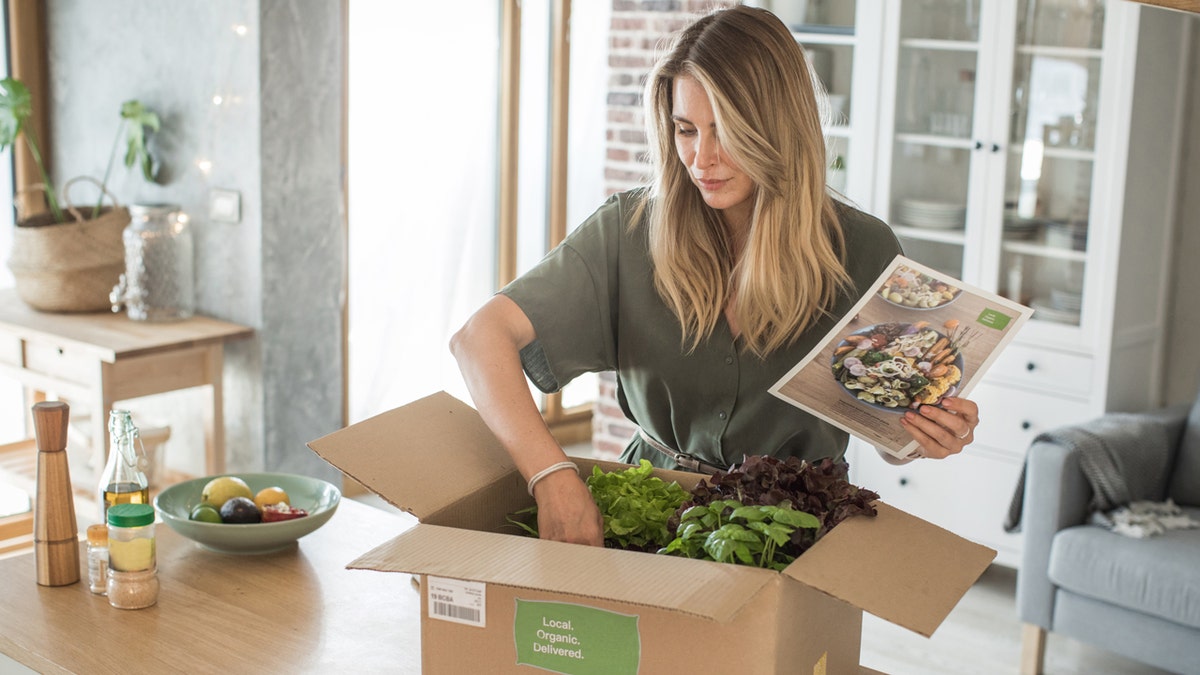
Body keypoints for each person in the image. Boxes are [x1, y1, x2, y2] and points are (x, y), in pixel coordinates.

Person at [450, 5, 979, 548]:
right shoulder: (628, 230)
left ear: (777, 128)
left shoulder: (863, 250)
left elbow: (887, 427)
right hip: (651, 511)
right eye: (685, 129)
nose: (701, 158)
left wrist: (920, 436)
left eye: (724, 131)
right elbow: (477, 340)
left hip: (795, 532)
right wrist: (551, 476)